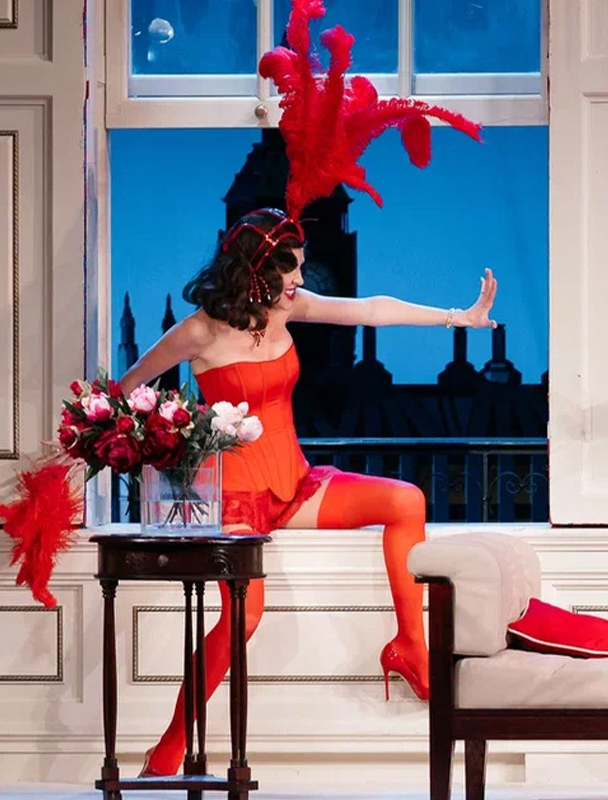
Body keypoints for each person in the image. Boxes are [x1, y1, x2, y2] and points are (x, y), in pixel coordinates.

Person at [121, 209, 498, 776]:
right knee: (245, 618)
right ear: (254, 269)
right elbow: (128, 389)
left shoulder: (288, 308)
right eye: (290, 269)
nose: (299, 279)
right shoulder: (200, 331)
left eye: (300, 267)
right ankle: (170, 745)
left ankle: (410, 647)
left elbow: (371, 309)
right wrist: (154, 446)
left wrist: (458, 318)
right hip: (235, 502)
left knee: (406, 501)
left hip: (294, 485)